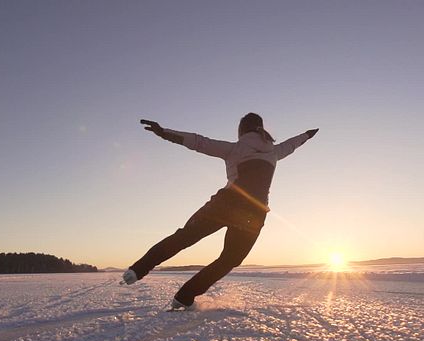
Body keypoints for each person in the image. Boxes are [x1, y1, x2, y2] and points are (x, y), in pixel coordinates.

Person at [122, 113, 319, 310]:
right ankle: (184, 297)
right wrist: (308, 135)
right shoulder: (275, 152)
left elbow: (199, 142)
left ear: (241, 130)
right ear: (260, 129)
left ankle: (138, 270)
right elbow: (294, 143)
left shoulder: (234, 148)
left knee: (186, 236)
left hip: (226, 204)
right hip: (254, 212)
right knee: (230, 258)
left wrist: (164, 132)